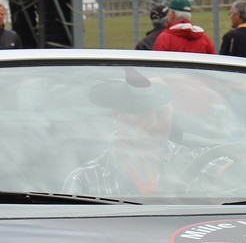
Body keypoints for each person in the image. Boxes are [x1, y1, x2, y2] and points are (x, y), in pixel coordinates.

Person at [63, 75, 198, 196]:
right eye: (142, 113)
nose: (153, 125)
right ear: (116, 116)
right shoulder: (84, 182)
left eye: (162, 114)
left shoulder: (198, 164)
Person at [151, 0, 215, 54]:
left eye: (169, 13)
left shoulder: (164, 38)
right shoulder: (205, 39)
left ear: (173, 14)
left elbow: (156, 61)